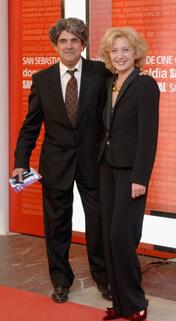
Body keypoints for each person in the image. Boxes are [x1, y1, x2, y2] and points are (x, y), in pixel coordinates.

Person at [12, 18, 112, 303]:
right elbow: (31, 125)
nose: (69, 46)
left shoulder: (101, 73)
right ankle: (60, 280)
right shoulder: (41, 79)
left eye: (74, 40)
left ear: (83, 44)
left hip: (94, 162)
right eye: (63, 41)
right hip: (55, 164)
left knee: (98, 222)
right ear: (55, 45)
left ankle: (103, 278)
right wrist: (21, 160)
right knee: (56, 225)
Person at [99, 27, 160, 321]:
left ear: (136, 53)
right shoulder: (111, 83)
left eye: (125, 50)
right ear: (108, 56)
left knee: (121, 236)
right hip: (107, 169)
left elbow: (149, 136)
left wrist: (141, 178)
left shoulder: (145, 85)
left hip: (130, 174)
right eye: (114, 51)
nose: (120, 56)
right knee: (108, 238)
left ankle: (136, 301)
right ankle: (120, 304)